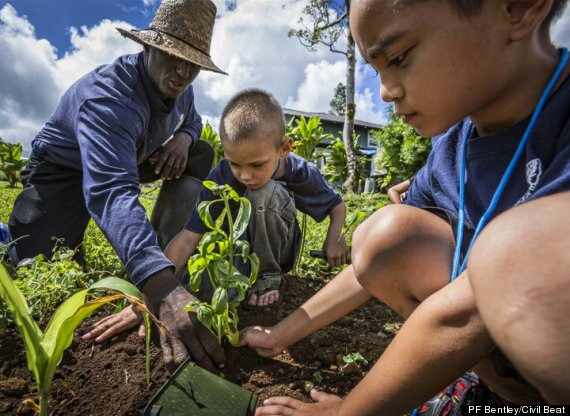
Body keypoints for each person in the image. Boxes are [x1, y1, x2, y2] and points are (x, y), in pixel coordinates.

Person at [239, 0, 570, 414]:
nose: (385, 91)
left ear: (518, 8)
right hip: (502, 376)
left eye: (398, 58)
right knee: (386, 235)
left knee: (513, 255)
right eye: (377, 70)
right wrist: (279, 336)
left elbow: (470, 309)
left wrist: (351, 412)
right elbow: (377, 259)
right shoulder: (454, 147)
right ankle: (495, 395)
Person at [7, 0, 228, 373]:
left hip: (133, 156)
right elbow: (111, 190)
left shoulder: (182, 88)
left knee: (202, 152)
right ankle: (150, 262)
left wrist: (185, 139)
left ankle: (164, 246)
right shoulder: (110, 98)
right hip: (63, 171)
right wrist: (162, 287)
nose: (182, 70)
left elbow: (193, 120)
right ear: (149, 47)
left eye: (193, 64)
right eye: (173, 56)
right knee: (36, 265)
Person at [82, 88, 351, 341]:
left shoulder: (302, 172)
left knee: (262, 192)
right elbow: (189, 237)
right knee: (194, 286)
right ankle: (244, 283)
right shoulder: (222, 176)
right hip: (244, 250)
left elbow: (337, 206)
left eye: (257, 164)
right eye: (236, 164)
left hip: (280, 249)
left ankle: (268, 279)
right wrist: (153, 294)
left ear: (284, 148)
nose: (245, 175)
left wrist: (334, 239)